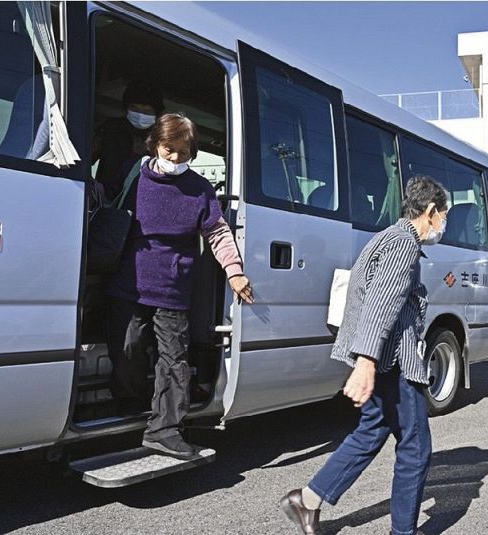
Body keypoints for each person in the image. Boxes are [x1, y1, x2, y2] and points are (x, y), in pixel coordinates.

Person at [279, 175, 449, 535]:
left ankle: (306, 500)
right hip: (394, 362)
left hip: (383, 360)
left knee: (371, 432)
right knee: (416, 448)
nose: (443, 224)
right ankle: (403, 531)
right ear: (431, 211)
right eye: (443, 214)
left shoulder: (385, 237)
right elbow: (380, 305)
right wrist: (366, 362)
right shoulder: (403, 244)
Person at [105, 113, 254, 459]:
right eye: (169, 149)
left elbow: (217, 231)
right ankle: (131, 402)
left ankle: (165, 429)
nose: (174, 159)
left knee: (174, 361)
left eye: (183, 153)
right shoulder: (133, 175)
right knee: (127, 349)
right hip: (129, 281)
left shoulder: (200, 189)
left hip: (173, 287)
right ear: (155, 144)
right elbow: (103, 199)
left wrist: (234, 270)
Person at [92, 80, 165, 200]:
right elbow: (84, 158)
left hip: (143, 203)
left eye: (147, 111)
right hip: (106, 201)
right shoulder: (110, 128)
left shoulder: (162, 138)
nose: (140, 115)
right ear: (126, 108)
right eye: (135, 109)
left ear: (156, 114)